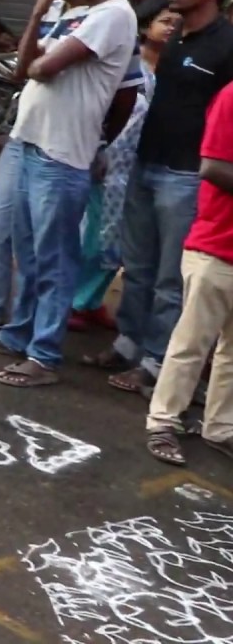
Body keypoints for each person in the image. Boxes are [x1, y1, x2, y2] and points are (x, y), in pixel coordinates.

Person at [0, 0, 137, 387]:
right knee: (30, 254)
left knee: (55, 259)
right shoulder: (74, 16)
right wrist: (40, 12)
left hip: (62, 154)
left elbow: (42, 68)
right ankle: (18, 334)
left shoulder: (114, 15)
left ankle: (44, 355)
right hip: (28, 142)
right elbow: (23, 70)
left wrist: (100, 143)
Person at [84, 0, 233, 395]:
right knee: (138, 266)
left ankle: (156, 361)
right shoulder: (176, 37)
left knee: (170, 277)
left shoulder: (226, 45)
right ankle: (128, 343)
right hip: (145, 164)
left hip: (186, 175)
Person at [69, 0, 176, 333]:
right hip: (108, 164)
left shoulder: (172, 70)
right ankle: (75, 301)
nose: (171, 28)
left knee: (119, 243)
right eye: (165, 21)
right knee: (94, 236)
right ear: (145, 26)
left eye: (176, 23)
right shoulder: (129, 66)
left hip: (140, 168)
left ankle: (91, 300)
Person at [144, 78, 233, 466]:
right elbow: (212, 167)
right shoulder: (231, 97)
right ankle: (163, 421)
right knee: (191, 344)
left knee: (230, 353)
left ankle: (221, 427)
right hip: (216, 246)